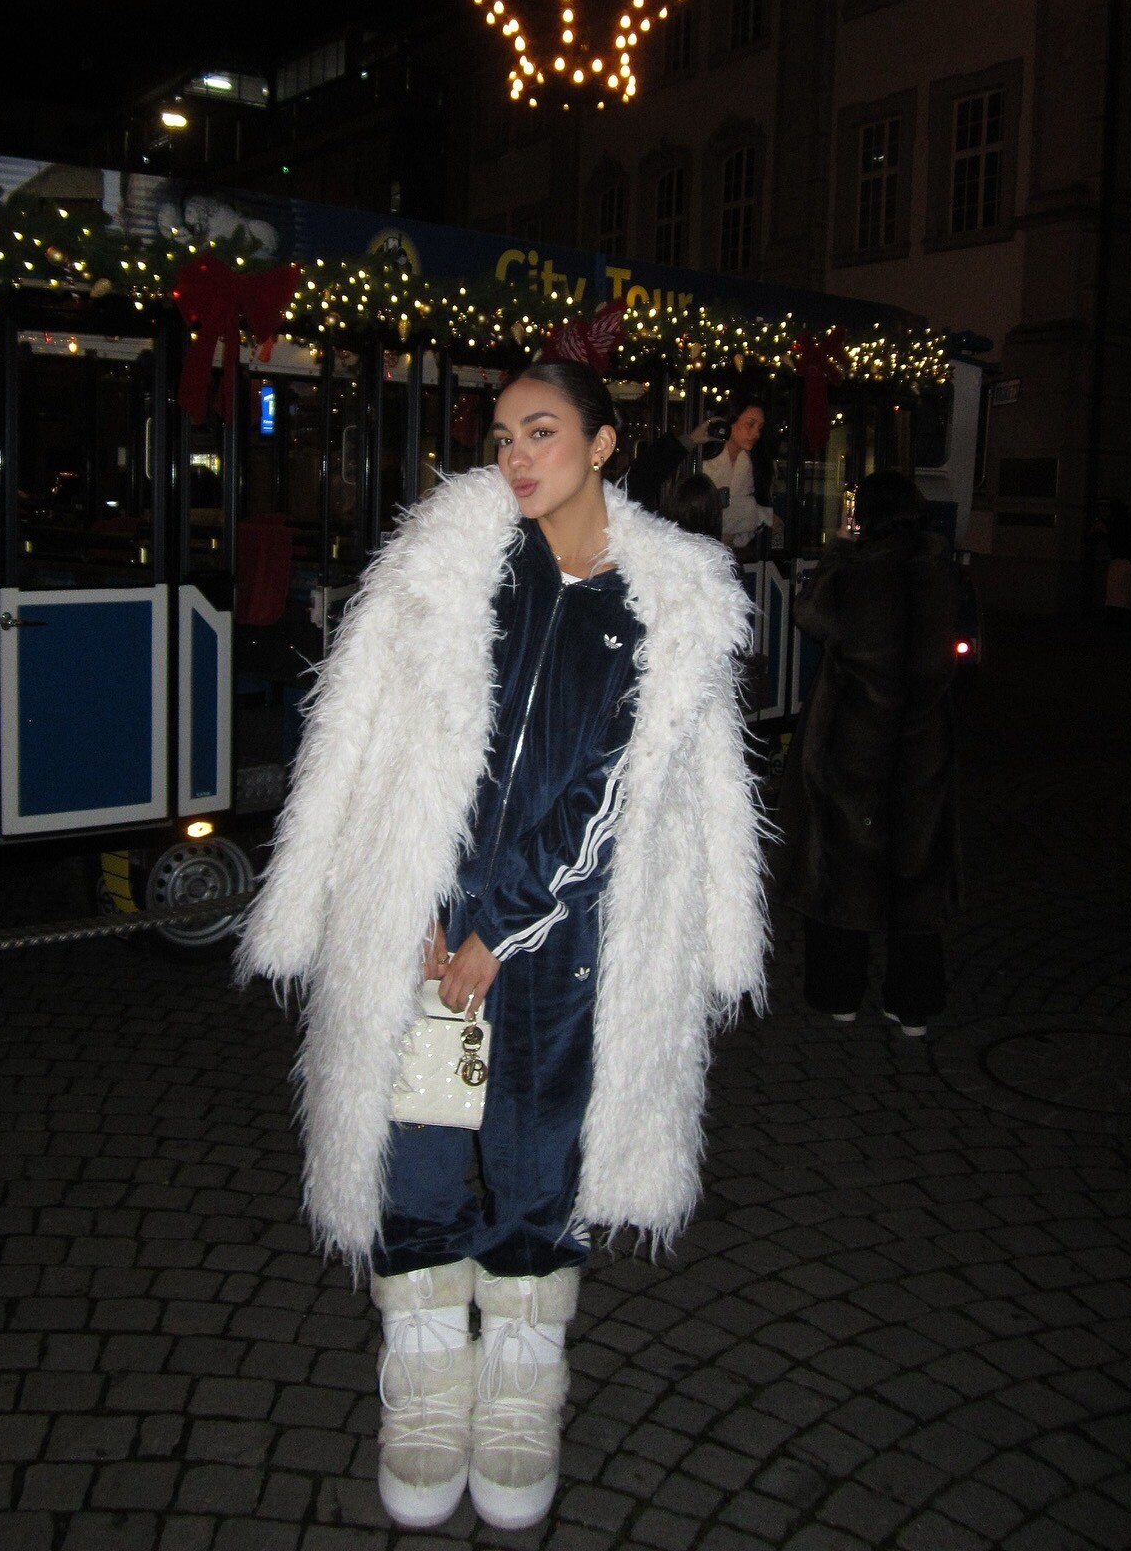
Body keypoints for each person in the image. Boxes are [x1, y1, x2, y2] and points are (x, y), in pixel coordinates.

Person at [235, 358, 768, 1533]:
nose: (516, 456)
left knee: (536, 1165)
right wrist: (407, 894)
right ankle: (425, 1384)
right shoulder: (453, 566)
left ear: (605, 443)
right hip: (426, 929)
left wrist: (501, 927)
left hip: (566, 943)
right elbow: (367, 739)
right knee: (418, 1156)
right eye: (502, 436)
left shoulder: (667, 601)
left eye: (542, 431)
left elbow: (616, 791)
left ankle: (523, 1391)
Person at [774, 470, 961, 1039]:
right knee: (918, 867)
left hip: (854, 742)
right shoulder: (944, 573)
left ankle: (839, 992)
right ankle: (914, 1002)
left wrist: (839, 550)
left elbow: (809, 613)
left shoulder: (855, 573)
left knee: (841, 866)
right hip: (922, 742)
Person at [702, 399, 775, 554]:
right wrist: (762, 515)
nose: (756, 433)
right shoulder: (703, 459)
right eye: (750, 424)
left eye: (760, 428)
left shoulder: (756, 464)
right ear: (729, 421)